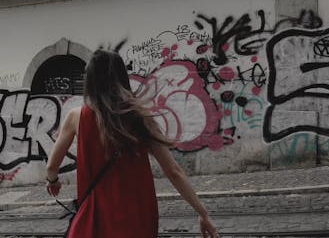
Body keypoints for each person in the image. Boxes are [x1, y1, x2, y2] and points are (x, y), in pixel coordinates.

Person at [46, 44, 218, 238]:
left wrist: (53, 181)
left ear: (91, 81)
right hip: (137, 216)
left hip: (95, 219)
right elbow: (173, 171)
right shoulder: (141, 118)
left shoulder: (76, 117)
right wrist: (202, 213)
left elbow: (52, 166)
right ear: (121, 77)